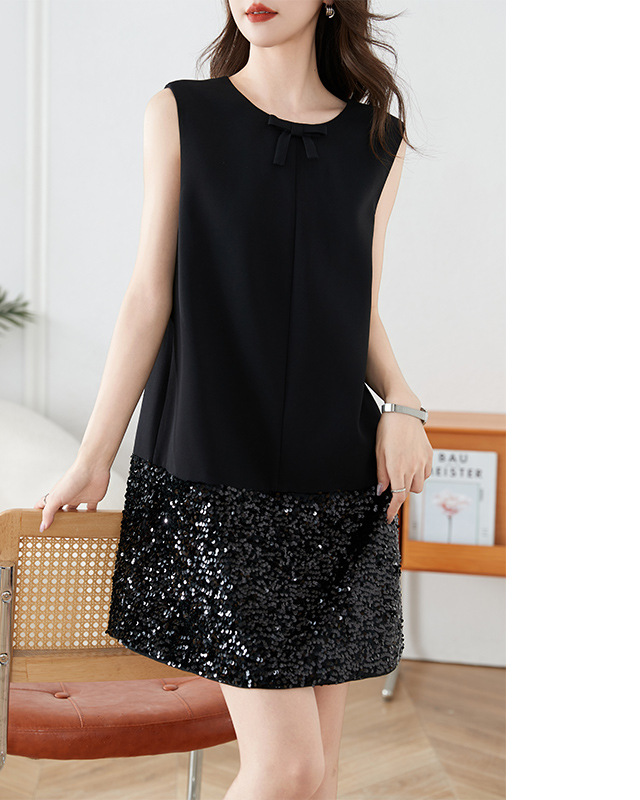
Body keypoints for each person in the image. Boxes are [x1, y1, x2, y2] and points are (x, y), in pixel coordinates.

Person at [35, 2, 433, 798]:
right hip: (214, 467)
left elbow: (355, 305)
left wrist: (402, 404)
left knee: (317, 775)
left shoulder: (377, 141)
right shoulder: (182, 113)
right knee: (287, 768)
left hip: (336, 477)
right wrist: (94, 456)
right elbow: (148, 296)